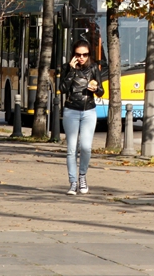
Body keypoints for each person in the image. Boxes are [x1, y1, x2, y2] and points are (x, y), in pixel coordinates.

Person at [59, 40, 106, 195]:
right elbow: (63, 88)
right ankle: (73, 182)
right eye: (78, 54)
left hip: (88, 111)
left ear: (88, 55)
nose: (81, 58)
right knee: (71, 149)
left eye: (84, 54)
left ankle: (82, 176)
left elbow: (101, 92)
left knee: (86, 147)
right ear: (74, 55)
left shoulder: (93, 68)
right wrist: (71, 71)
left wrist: (96, 88)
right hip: (71, 110)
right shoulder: (67, 67)